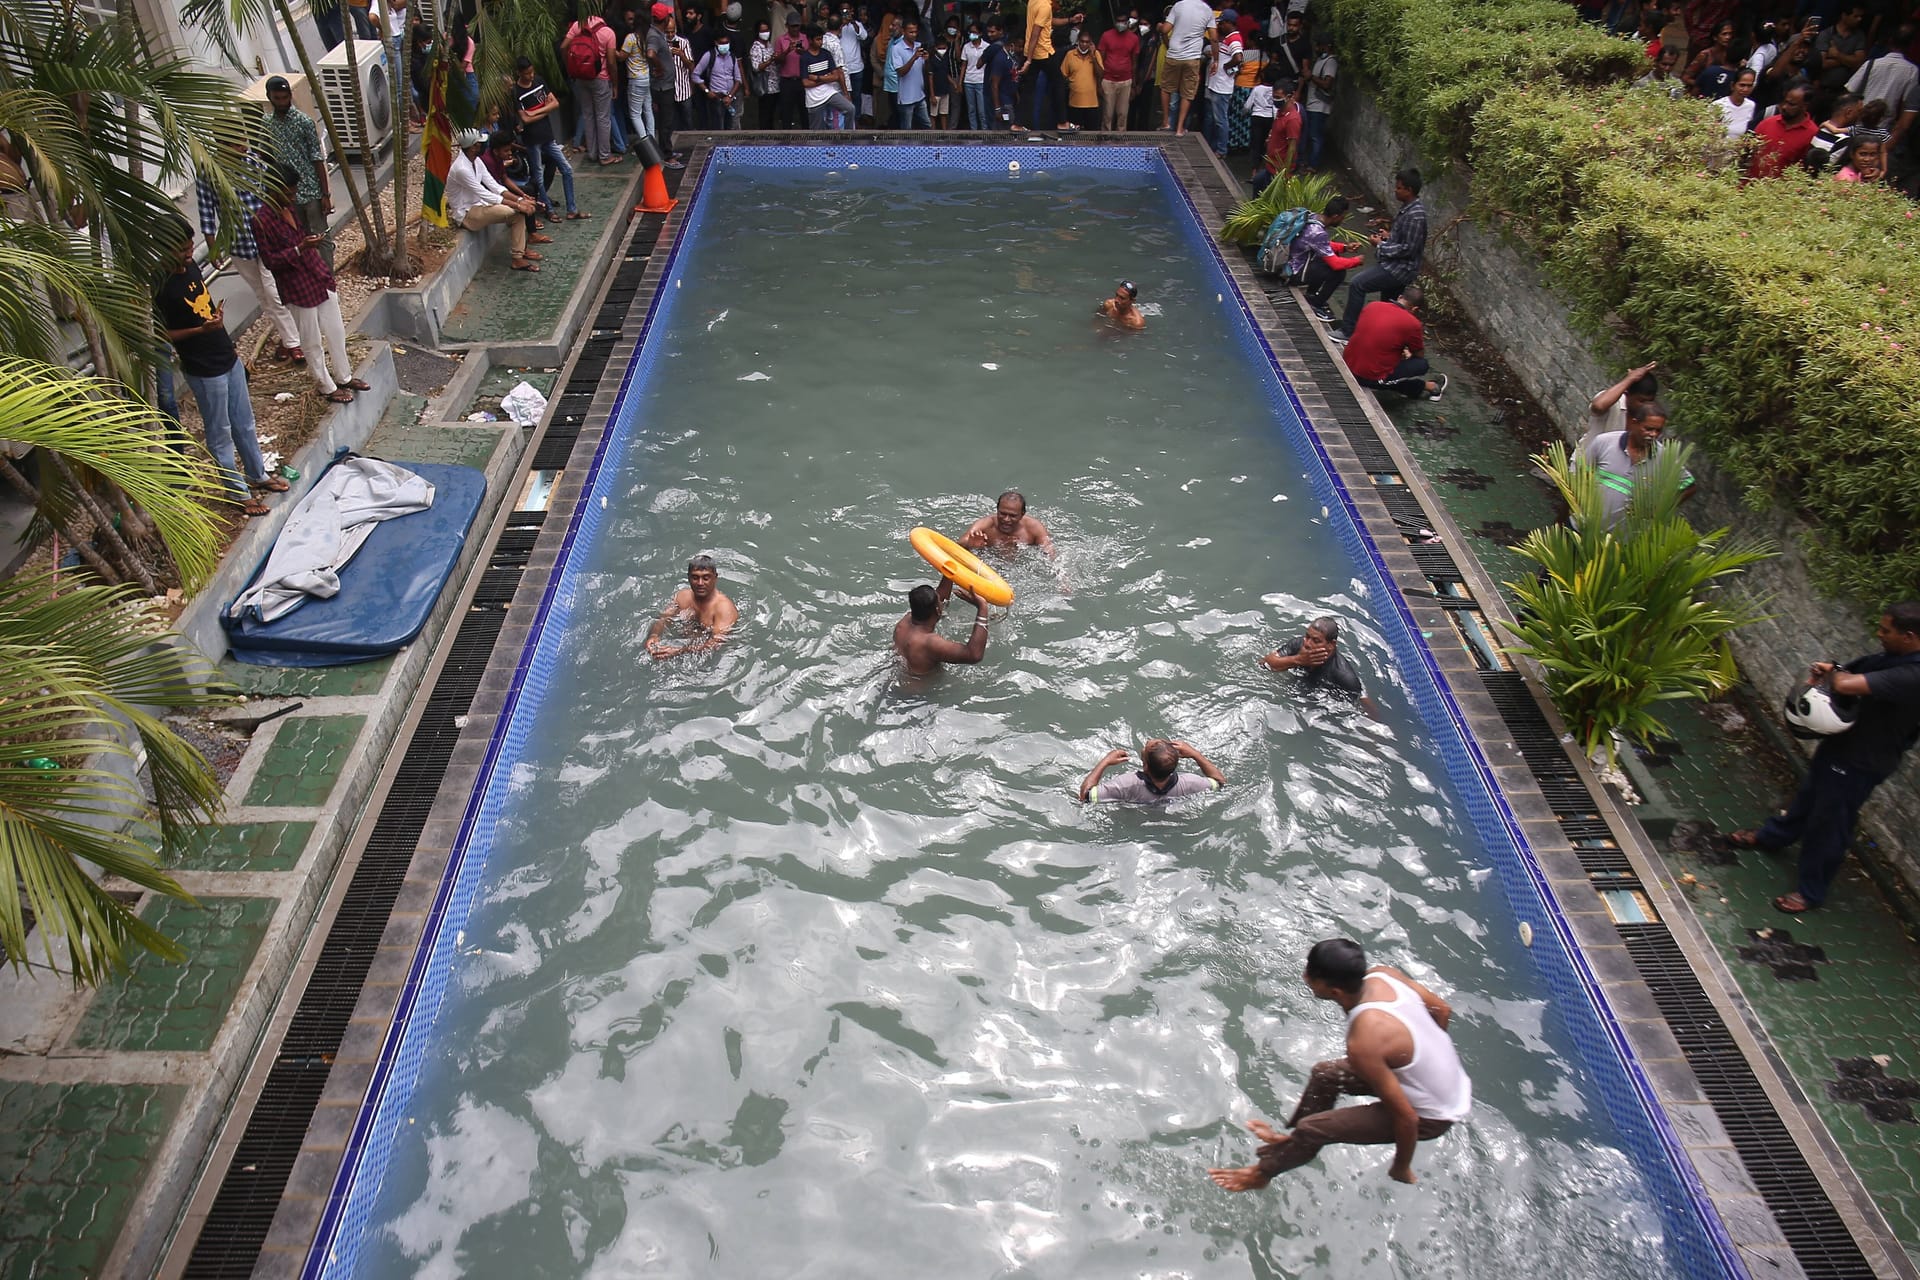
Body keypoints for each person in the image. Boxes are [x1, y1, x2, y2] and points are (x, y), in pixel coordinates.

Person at [1207, 939, 1472, 1190]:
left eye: (1311, 976)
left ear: (1334, 991)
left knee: (1315, 1129)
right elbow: (1442, 1010)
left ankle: (1261, 1174)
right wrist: (1425, 1060)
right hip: (1450, 1081)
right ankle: (1291, 1141)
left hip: (1433, 1114)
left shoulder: (1364, 1042)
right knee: (1325, 1075)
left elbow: (1408, 1118)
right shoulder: (1384, 975)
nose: (1304, 977)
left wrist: (1401, 1167)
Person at [1727, 605, 1920, 913]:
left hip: (1862, 760)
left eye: (1886, 630)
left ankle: (1811, 891)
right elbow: (1848, 671)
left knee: (1829, 823)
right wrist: (1831, 669)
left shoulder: (1913, 673)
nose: (1879, 634)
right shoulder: (1891, 658)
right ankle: (1773, 836)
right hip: (1844, 744)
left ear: (1909, 636)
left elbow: (1845, 683)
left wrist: (1834, 673)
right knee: (1809, 797)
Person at [154, 221, 279, 518]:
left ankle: (257, 474)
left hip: (225, 356)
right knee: (220, 431)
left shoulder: (193, 270)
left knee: (245, 422)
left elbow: (205, 306)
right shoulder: (159, 286)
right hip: (202, 367)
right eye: (182, 249)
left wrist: (221, 335)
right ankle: (237, 492)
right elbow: (162, 334)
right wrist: (199, 331)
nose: (189, 254)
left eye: (189, 247)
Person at [253, 163, 366, 405]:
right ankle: (326, 386)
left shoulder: (290, 209)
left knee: (336, 330)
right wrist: (299, 249)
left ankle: (344, 376)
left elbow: (299, 237)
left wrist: (310, 250)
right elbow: (271, 260)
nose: (292, 198)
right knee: (311, 339)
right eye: (289, 193)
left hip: (316, 274)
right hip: (295, 284)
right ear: (274, 190)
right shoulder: (261, 220)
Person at [195, 139, 303, 365]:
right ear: (221, 142)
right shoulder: (209, 171)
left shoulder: (256, 162)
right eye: (235, 144)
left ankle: (293, 343)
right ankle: (289, 338)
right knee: (263, 296)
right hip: (240, 244)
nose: (242, 147)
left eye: (243, 141)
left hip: (267, 239)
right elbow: (206, 209)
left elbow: (274, 195)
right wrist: (213, 246)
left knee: (275, 292)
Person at [1332, 167, 1425, 340]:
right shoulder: (1408, 209)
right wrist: (1389, 237)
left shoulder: (1415, 216)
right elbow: (1405, 240)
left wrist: (1381, 245)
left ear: (1409, 190)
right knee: (1387, 305)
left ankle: (1347, 331)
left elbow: (1409, 249)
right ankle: (1380, 337)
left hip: (1400, 268)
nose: (1395, 191)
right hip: (1395, 264)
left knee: (1358, 284)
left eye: (1398, 188)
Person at [1580, 399, 1694, 527]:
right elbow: (1578, 477)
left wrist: (1659, 509)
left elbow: (1689, 486)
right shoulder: (1604, 442)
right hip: (1582, 526)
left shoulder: (1664, 456)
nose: (1653, 435)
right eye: (1648, 429)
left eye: (1658, 431)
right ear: (1634, 423)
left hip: (1619, 541)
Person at [260, 76, 333, 269]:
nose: (283, 102)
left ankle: (328, 276)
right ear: (270, 98)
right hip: (286, 196)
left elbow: (317, 159)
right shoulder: (266, 124)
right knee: (297, 238)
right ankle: (310, 272)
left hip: (310, 191)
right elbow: (265, 157)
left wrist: (325, 194)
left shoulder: (304, 122)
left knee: (321, 236)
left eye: (285, 98)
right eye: (278, 98)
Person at [447, 128, 542, 271]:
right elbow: (485, 193)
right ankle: (519, 256)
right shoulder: (461, 169)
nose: (483, 145)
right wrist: (518, 204)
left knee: (518, 215)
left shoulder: (476, 161)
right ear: (473, 147)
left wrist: (521, 199)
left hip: (479, 205)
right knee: (515, 212)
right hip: (467, 215)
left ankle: (518, 257)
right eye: (480, 143)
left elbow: (495, 186)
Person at [1342, 285, 1446, 403]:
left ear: (1400, 297)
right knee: (1421, 365)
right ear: (1415, 309)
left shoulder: (1373, 305)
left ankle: (1419, 388)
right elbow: (1419, 355)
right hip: (1368, 377)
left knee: (1387, 366)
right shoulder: (1412, 323)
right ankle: (1429, 386)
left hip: (1346, 365)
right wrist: (1406, 352)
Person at [1262, 615, 1379, 716]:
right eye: (1307, 636)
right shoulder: (1298, 645)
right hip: (1291, 696)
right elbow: (1265, 663)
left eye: (1316, 641)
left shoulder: (1343, 675)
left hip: (1319, 707)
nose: (1307, 644)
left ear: (1331, 644)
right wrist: (1297, 660)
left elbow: (1363, 704)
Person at [515, 57, 585, 220]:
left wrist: (536, 112)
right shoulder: (517, 93)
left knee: (566, 169)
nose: (531, 76)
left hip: (548, 136)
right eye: (527, 74)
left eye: (532, 72)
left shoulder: (539, 81)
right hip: (532, 139)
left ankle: (571, 208)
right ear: (519, 73)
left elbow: (555, 103)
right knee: (538, 175)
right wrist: (544, 110)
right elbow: (525, 119)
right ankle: (548, 209)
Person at [643, 555, 739, 659]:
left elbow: (715, 645)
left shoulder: (724, 608)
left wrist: (678, 652)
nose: (700, 583)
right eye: (695, 577)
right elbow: (663, 619)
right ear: (688, 577)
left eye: (706, 578)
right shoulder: (682, 597)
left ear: (715, 578)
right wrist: (654, 636)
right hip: (683, 642)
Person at [1078, 739, 1226, 803]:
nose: (1146, 743)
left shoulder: (1127, 784)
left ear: (1146, 766)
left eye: (1146, 747)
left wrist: (1106, 761)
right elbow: (1220, 782)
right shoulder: (1191, 783)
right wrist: (1195, 754)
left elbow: (1085, 796)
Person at [893, 579, 989, 675]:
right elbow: (974, 655)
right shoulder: (931, 643)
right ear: (938, 610)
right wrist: (982, 607)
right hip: (922, 689)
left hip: (901, 677)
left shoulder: (904, 623)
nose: (942, 603)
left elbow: (936, 600)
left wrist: (950, 574)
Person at [563, 5, 619, 164]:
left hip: (581, 78)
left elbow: (564, 47)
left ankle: (593, 153)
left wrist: (571, 68)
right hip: (600, 78)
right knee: (603, 118)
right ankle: (605, 156)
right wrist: (615, 85)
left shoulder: (577, 25)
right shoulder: (608, 32)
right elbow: (611, 62)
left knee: (587, 115)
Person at [1294, 195, 1364, 313]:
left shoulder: (1313, 217)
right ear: (1335, 216)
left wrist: (1344, 248)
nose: (1343, 220)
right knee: (1339, 272)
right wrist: (1356, 261)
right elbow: (1336, 264)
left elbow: (1321, 244)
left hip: (1293, 261)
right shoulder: (1318, 232)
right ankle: (1316, 304)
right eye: (1343, 217)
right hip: (1294, 271)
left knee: (1331, 255)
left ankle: (1311, 294)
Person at [1159, 0, 1212, 136]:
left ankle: (1166, 122)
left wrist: (1161, 31)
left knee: (1166, 88)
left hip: (1174, 55)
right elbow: (1214, 38)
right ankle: (1179, 128)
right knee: (1187, 93)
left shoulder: (1178, 6)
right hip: (1192, 58)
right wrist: (1216, 59)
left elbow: (1165, 29)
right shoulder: (1207, 9)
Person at [1746, 84, 1816, 177]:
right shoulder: (1767, 122)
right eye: (1785, 102)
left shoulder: (1812, 134)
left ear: (1805, 106)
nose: (1784, 107)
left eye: (1791, 104)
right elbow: (1747, 152)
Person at [1584, 359, 1658, 442]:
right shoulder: (1614, 403)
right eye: (1641, 401)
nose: (1645, 406)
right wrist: (1630, 379)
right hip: (1587, 454)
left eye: (1650, 401)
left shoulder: (1645, 417)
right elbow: (1598, 406)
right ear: (1627, 394)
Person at [963, 490, 1057, 555]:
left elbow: (1050, 554)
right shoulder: (986, 524)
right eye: (1002, 514)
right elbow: (959, 543)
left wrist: (1063, 581)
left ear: (1022, 514)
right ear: (997, 510)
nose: (1006, 519)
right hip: (990, 560)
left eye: (1012, 516)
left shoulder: (1034, 528)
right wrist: (970, 544)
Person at [803, 25, 857, 129]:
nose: (821, 42)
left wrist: (818, 78)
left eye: (821, 39)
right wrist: (826, 78)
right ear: (810, 40)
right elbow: (805, 83)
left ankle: (848, 136)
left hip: (829, 92)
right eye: (818, 39)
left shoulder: (826, 54)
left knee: (850, 109)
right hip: (814, 98)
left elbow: (836, 75)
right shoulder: (805, 58)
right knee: (816, 130)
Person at [1299, 33, 1336, 170]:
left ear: (1326, 47)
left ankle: (1313, 165)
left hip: (1320, 106)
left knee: (1315, 135)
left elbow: (1327, 84)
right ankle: (1309, 162)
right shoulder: (1321, 60)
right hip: (1313, 104)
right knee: (1310, 134)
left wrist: (1310, 76)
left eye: (1319, 45)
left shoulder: (1331, 62)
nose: (1317, 48)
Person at [1097, 12, 1139, 131]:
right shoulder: (1106, 36)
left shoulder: (1134, 38)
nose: (1121, 24)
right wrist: (1099, 82)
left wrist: (1134, 85)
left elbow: (1134, 63)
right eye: (1118, 21)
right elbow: (1101, 60)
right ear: (1115, 22)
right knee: (1107, 114)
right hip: (1108, 80)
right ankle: (1106, 140)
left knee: (1123, 114)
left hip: (1126, 81)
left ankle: (1121, 140)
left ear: (1127, 22)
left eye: (1123, 21)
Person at [694, 31, 746, 127]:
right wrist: (707, 91)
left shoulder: (732, 57)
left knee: (730, 126)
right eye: (722, 43)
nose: (724, 45)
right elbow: (695, 75)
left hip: (730, 99)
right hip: (716, 98)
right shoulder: (709, 56)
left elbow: (738, 79)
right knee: (717, 127)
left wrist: (730, 96)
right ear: (716, 43)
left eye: (726, 43)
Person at [891, 18, 930, 128]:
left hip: (920, 95)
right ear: (903, 32)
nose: (914, 35)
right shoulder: (896, 49)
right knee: (907, 130)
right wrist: (914, 57)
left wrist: (927, 61)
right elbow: (901, 72)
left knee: (927, 125)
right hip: (906, 98)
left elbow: (925, 70)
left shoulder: (919, 45)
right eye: (911, 32)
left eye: (915, 32)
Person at [1062, 28, 1103, 131]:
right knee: (1074, 134)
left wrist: (1093, 56)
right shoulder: (1070, 55)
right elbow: (1063, 74)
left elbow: (1100, 74)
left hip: (1092, 103)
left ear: (1091, 43)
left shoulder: (1096, 54)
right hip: (1074, 103)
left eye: (1087, 42)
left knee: (1091, 134)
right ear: (1078, 42)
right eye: (1082, 42)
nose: (1084, 44)